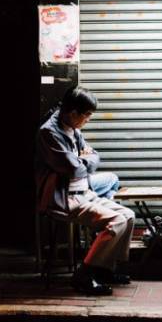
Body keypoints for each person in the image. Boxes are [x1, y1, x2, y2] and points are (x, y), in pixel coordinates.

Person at [35, 86, 134, 295]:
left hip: (84, 192)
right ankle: (84, 275)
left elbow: (94, 157)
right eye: (87, 115)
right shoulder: (48, 133)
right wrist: (83, 160)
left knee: (129, 215)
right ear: (73, 113)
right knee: (116, 220)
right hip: (64, 198)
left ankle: (106, 269)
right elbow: (72, 168)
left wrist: (83, 159)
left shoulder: (73, 128)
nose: (88, 119)